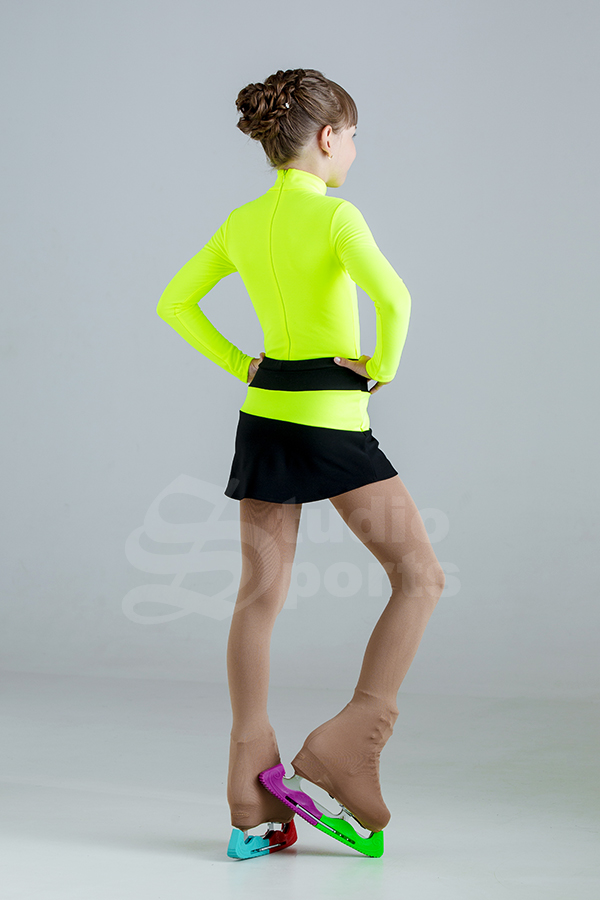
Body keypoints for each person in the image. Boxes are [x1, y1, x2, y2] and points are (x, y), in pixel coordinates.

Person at [156, 68, 446, 858]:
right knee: (419, 576)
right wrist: (382, 368)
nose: (353, 149)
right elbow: (397, 301)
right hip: (329, 418)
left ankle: (250, 796)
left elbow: (174, 302)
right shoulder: (337, 215)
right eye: (351, 135)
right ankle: (351, 741)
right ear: (326, 137)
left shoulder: (243, 221)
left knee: (258, 598)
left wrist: (240, 364)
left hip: (264, 416)